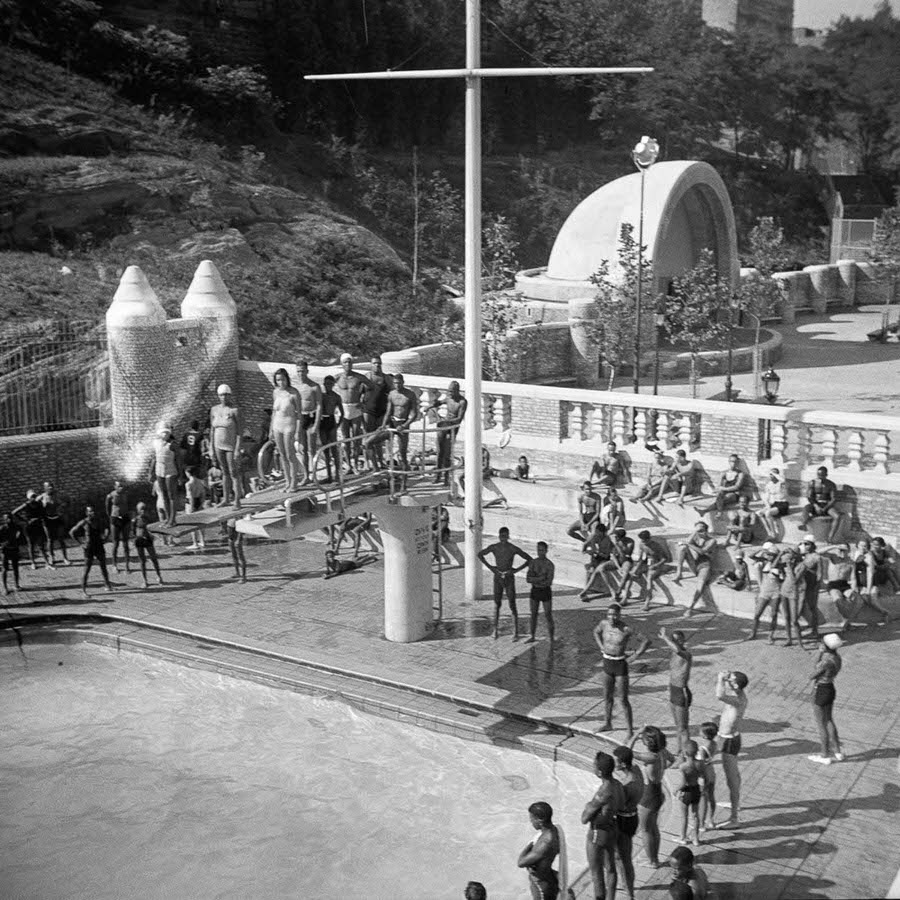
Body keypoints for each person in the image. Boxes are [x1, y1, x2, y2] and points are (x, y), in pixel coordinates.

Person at [593, 603, 650, 737]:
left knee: (623, 699)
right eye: (609, 614)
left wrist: (635, 656)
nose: (612, 617)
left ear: (619, 615)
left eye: (614, 614)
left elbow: (646, 641)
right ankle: (608, 723)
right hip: (607, 662)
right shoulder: (603, 624)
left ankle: (630, 731)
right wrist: (601, 646)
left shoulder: (626, 629)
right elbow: (595, 632)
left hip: (620, 664)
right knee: (607, 697)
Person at [581, 751, 623, 900]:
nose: (592, 766)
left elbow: (584, 818)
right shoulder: (617, 785)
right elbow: (622, 804)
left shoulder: (603, 792)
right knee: (611, 868)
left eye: (594, 765)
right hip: (612, 827)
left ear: (599, 772)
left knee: (596, 873)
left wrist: (588, 805)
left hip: (598, 832)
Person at [627, 725, 671, 869]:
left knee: (645, 830)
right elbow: (672, 760)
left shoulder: (650, 757)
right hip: (657, 791)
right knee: (653, 828)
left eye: (643, 738)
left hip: (649, 795)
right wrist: (661, 771)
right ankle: (654, 858)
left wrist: (636, 734)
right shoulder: (662, 752)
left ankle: (651, 861)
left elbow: (626, 751)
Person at [478, 527, 532, 640]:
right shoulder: (495, 547)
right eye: (502, 536)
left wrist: (515, 570)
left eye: (505, 536)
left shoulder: (512, 548)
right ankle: (495, 630)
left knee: (512, 604)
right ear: (499, 536)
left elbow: (529, 559)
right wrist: (491, 568)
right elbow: (480, 554)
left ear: (508, 536)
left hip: (509, 577)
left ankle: (516, 632)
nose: (503, 538)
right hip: (498, 577)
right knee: (497, 604)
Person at [714, 670, 748, 828]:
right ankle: (736, 803)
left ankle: (734, 818)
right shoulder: (737, 697)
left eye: (731, 680)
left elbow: (719, 695)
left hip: (729, 741)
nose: (728, 681)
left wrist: (720, 679)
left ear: (736, 685)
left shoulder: (738, 700)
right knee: (735, 775)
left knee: (731, 780)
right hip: (729, 737)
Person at [808, 633, 845, 765]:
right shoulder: (837, 658)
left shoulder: (826, 661)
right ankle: (838, 751)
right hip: (830, 688)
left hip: (821, 690)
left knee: (821, 724)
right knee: (829, 720)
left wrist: (819, 653)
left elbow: (812, 674)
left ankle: (824, 754)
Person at [612, 745, 644, 900]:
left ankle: (630, 893)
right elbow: (628, 750)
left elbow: (616, 806)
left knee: (624, 859)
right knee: (620, 857)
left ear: (623, 764)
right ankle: (625, 885)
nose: (613, 763)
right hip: (632, 817)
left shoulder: (626, 786)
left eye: (616, 761)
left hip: (623, 820)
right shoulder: (636, 770)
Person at [335, 353, 371, 473]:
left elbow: (371, 387)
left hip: (355, 408)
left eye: (350, 362)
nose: (348, 364)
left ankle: (355, 464)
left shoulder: (358, 377)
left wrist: (363, 400)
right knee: (345, 439)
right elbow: (328, 389)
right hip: (343, 409)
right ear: (341, 364)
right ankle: (348, 465)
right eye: (345, 362)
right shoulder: (338, 377)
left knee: (356, 438)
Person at [517, 800, 561, 900]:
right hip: (549, 877)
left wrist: (530, 845)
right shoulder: (555, 830)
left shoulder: (544, 843)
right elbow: (558, 850)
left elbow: (520, 862)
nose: (531, 822)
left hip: (541, 885)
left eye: (532, 819)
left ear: (540, 820)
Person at [269, 367, 302, 492]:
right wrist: (271, 429)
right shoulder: (275, 392)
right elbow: (274, 411)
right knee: (282, 454)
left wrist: (298, 431)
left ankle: (294, 482)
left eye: (283, 379)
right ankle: (287, 481)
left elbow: (299, 414)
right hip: (277, 425)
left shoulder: (293, 393)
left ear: (287, 379)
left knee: (290, 454)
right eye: (278, 380)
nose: (281, 382)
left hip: (289, 424)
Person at [673, 522, 717, 616]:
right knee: (683, 548)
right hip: (696, 564)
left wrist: (689, 544)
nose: (700, 533)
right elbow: (687, 542)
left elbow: (702, 552)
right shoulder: (697, 538)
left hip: (705, 566)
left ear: (706, 531)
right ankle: (679, 573)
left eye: (701, 531)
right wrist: (694, 532)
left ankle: (690, 608)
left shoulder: (712, 541)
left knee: (700, 585)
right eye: (698, 531)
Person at [381, 373, 419, 482]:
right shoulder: (391, 394)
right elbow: (388, 412)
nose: (397, 385)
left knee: (402, 453)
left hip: (403, 424)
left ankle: (404, 481)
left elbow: (414, 414)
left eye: (399, 383)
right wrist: (383, 425)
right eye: (395, 383)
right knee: (377, 443)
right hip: (392, 423)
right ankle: (384, 472)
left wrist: (405, 425)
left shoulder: (410, 394)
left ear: (403, 383)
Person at [69, 506, 114, 597]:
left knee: (103, 567)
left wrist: (105, 537)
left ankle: (107, 585)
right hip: (89, 547)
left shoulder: (98, 520)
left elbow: (106, 528)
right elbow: (72, 532)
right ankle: (84, 590)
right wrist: (81, 544)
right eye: (90, 511)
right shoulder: (84, 522)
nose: (93, 513)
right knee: (87, 569)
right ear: (87, 513)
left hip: (99, 545)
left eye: (94, 511)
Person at [659, 626, 692, 751]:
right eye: (674, 640)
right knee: (678, 726)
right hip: (673, 690)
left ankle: (685, 755)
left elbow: (677, 650)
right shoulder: (673, 652)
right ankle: (680, 751)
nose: (676, 642)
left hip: (681, 692)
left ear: (683, 641)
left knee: (683, 728)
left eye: (678, 640)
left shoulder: (686, 654)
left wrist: (665, 638)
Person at [210, 385, 243, 509]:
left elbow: (240, 431)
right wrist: (211, 448)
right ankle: (226, 499)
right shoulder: (214, 410)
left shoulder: (235, 410)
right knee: (224, 472)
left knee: (233, 472)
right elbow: (212, 430)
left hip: (230, 446)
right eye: (221, 395)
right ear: (218, 396)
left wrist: (237, 449)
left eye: (226, 395)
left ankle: (237, 500)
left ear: (230, 395)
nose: (224, 397)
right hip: (219, 445)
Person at [746, 542, 785, 642]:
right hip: (764, 591)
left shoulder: (780, 565)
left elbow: (782, 579)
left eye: (771, 555)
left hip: (775, 592)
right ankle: (753, 633)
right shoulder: (764, 561)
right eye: (768, 554)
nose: (769, 556)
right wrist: (761, 549)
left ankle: (770, 635)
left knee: (774, 614)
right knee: (757, 614)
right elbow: (751, 556)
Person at [853, 537, 893, 626]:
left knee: (872, 599)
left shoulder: (869, 557)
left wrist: (868, 588)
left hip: (869, 582)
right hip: (860, 582)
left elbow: (870, 574)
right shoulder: (856, 554)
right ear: (857, 546)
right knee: (864, 599)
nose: (863, 548)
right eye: (861, 546)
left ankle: (885, 612)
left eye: (865, 546)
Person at [671, 739, 703, 847]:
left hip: (686, 792)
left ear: (684, 753)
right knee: (695, 815)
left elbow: (683, 783)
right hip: (696, 790)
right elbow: (703, 777)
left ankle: (683, 837)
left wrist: (675, 790)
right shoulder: (699, 764)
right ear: (697, 752)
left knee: (684, 816)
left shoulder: (683, 767)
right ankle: (696, 838)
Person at [362, 355, 393, 471]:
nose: (377, 365)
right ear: (371, 364)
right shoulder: (367, 378)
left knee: (378, 438)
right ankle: (367, 462)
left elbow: (393, 393)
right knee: (367, 436)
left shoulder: (386, 379)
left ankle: (380, 461)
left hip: (381, 411)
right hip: (368, 411)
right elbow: (360, 392)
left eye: (379, 363)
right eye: (375, 363)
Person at [435, 380, 467, 485]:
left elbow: (459, 419)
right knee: (440, 452)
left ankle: (446, 478)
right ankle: (438, 476)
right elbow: (440, 402)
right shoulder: (448, 398)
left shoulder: (462, 402)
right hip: (444, 426)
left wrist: (446, 421)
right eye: (449, 391)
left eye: (452, 391)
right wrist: (431, 406)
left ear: (457, 391)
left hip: (452, 428)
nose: (450, 393)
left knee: (447, 453)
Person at [296, 361, 322, 483]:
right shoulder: (296, 387)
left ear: (307, 371)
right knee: (302, 448)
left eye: (302, 371)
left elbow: (319, 405)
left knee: (312, 449)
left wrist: (316, 424)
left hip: (311, 417)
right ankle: (306, 475)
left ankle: (314, 475)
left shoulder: (314, 386)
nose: (300, 373)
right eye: (298, 371)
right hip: (301, 419)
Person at [800, 466, 841, 542]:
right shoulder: (812, 483)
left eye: (822, 475)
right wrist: (816, 506)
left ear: (826, 474)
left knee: (837, 516)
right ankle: (803, 524)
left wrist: (825, 508)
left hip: (827, 505)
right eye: (818, 475)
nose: (820, 477)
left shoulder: (831, 484)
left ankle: (830, 537)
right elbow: (809, 497)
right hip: (815, 504)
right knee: (806, 508)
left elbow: (833, 499)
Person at [149, 424, 180, 525]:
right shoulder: (156, 443)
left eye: (167, 433)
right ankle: (167, 517)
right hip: (159, 469)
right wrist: (150, 472)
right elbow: (154, 458)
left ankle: (172, 519)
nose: (165, 435)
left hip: (170, 470)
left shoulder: (173, 444)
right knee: (163, 495)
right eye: (163, 432)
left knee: (171, 495)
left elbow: (178, 460)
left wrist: (180, 474)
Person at [525, 541, 555, 643]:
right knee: (533, 614)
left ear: (546, 551)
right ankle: (532, 635)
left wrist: (536, 579)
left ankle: (551, 638)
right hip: (535, 590)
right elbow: (528, 579)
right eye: (538, 550)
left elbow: (548, 582)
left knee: (548, 614)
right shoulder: (533, 562)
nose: (540, 552)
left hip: (545, 591)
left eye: (542, 550)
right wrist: (541, 578)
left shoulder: (549, 564)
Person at [13, 489, 51, 569]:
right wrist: (24, 521)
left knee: (41, 545)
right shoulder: (26, 505)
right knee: (31, 545)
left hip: (38, 526)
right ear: (28, 498)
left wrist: (40, 519)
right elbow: (14, 512)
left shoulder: (39, 504)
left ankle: (47, 563)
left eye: (34, 496)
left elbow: (43, 513)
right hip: (29, 527)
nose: (33, 498)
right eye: (31, 497)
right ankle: (33, 563)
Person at [634, 530, 671, 610]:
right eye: (642, 540)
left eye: (644, 540)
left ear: (648, 539)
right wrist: (636, 569)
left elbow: (664, 559)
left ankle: (647, 602)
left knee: (649, 578)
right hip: (647, 563)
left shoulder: (656, 546)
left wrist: (655, 565)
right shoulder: (641, 545)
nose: (643, 542)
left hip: (657, 564)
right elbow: (641, 558)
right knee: (631, 574)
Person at [318, 375, 344, 483]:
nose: (327, 386)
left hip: (331, 420)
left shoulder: (336, 397)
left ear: (333, 385)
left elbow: (342, 413)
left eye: (330, 384)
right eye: (326, 384)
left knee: (334, 448)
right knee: (325, 450)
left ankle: (337, 474)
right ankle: (329, 475)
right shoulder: (321, 396)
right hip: (322, 421)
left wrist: (338, 424)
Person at [132, 501, 163, 588]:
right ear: (138, 510)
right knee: (142, 561)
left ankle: (159, 576)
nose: (143, 511)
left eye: (145, 509)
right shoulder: (136, 520)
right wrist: (136, 538)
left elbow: (153, 528)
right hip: (139, 540)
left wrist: (153, 536)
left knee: (153, 558)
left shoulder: (148, 519)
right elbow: (133, 531)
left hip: (148, 539)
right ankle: (144, 579)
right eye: (141, 509)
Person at [580, 522, 614, 601]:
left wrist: (596, 552)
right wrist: (584, 551)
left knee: (596, 572)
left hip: (604, 559)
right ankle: (586, 590)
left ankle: (585, 591)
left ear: (601, 532)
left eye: (597, 531)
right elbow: (585, 543)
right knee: (590, 571)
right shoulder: (594, 536)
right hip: (595, 557)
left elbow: (606, 555)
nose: (596, 533)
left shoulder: (607, 540)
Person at [40, 481, 70, 565]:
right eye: (48, 486)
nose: (50, 488)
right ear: (44, 488)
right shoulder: (42, 497)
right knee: (50, 540)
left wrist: (62, 506)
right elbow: (35, 507)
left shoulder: (57, 495)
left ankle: (65, 558)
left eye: (52, 486)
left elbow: (66, 502)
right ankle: (51, 557)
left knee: (61, 538)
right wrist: (43, 506)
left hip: (57, 518)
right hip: (47, 520)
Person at [696, 721, 719, 831]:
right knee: (711, 796)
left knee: (703, 798)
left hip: (703, 773)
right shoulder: (714, 744)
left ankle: (701, 824)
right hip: (711, 771)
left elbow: (700, 762)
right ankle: (711, 820)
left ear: (704, 735)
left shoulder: (703, 748)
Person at [105, 480, 131, 574]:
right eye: (119, 486)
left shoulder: (126, 494)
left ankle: (127, 566)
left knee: (125, 544)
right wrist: (111, 517)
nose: (121, 488)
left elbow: (129, 505)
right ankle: (114, 565)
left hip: (125, 518)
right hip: (115, 519)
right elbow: (107, 507)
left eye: (122, 486)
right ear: (115, 487)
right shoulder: (111, 495)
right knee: (115, 543)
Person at [759, 467, 790, 538]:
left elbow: (783, 480)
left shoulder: (781, 484)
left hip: (783, 504)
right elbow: (766, 498)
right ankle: (769, 532)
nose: (771, 475)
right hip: (774, 504)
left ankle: (774, 534)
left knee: (768, 513)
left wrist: (775, 474)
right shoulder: (769, 484)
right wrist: (767, 506)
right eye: (770, 474)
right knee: (759, 513)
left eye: (773, 474)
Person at [184, 467, 208, 551]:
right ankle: (203, 541)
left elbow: (190, 496)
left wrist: (192, 507)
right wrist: (201, 504)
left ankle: (195, 543)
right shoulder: (200, 482)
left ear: (188, 473)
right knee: (201, 524)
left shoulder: (188, 483)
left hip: (191, 503)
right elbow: (203, 494)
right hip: (199, 501)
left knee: (192, 524)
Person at [1, 511, 22, 595]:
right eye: (7, 518)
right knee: (5, 569)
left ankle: (16, 585)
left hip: (14, 549)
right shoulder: (2, 528)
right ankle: (5, 587)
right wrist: (3, 544)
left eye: (10, 518)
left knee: (15, 567)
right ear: (4, 520)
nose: (9, 520)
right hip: (5, 551)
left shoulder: (16, 527)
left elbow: (20, 537)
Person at [225, 518, 247, 583]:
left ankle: (243, 577)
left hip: (236, 539)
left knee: (241, 557)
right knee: (234, 556)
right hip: (231, 538)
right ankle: (237, 573)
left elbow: (241, 530)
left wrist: (238, 540)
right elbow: (228, 527)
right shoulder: (229, 515)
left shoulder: (238, 517)